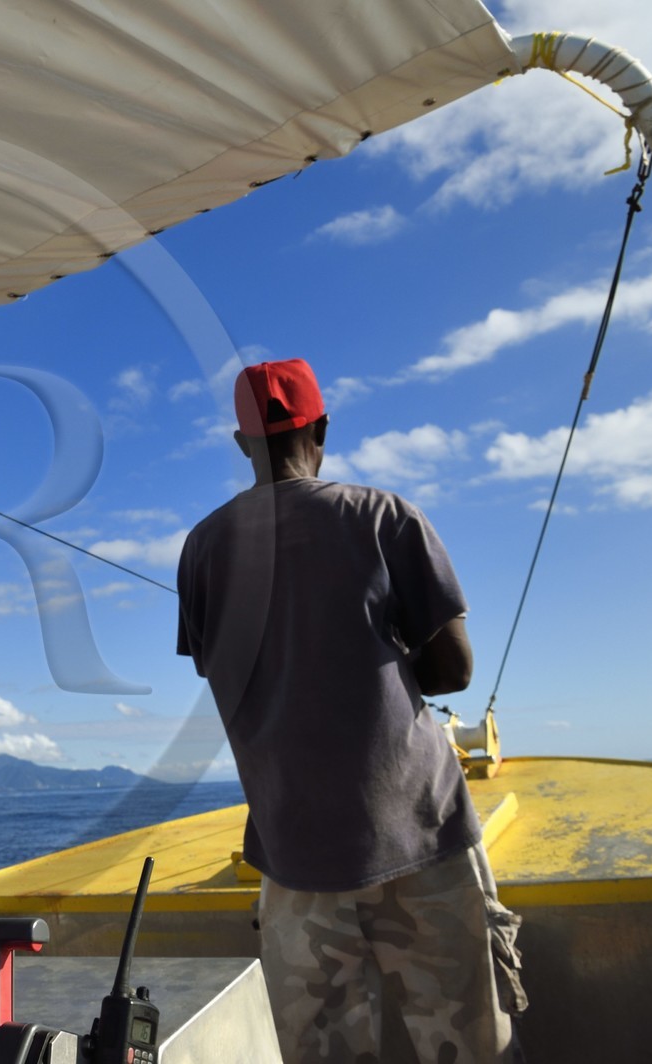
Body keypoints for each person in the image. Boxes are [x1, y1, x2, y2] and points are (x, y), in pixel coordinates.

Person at [174, 359, 526, 1062]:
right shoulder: (385, 517)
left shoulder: (202, 549)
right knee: (471, 1048)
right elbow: (454, 670)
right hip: (420, 837)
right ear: (322, 429)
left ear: (242, 442)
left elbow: (228, 674)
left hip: (293, 858)